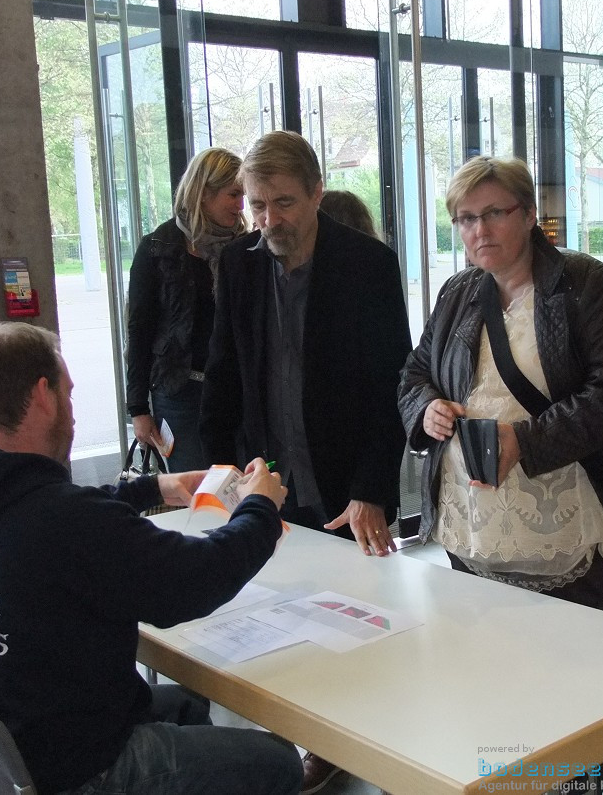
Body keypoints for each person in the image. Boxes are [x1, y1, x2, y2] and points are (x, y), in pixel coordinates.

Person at [0, 322, 301, 795]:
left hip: (7, 749)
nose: (74, 415)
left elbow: (50, 513)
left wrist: (154, 486)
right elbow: (194, 581)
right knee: (279, 764)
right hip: (79, 767)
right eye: (69, 393)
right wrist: (259, 507)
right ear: (43, 396)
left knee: (187, 706)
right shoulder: (60, 519)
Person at [398, 155, 603, 793]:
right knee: (492, 680)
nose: (478, 229)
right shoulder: (458, 292)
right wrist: (426, 407)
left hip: (560, 518)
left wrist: (527, 442)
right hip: (473, 524)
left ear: (530, 214)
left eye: (493, 213)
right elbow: (414, 372)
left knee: (569, 684)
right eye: (464, 218)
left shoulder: (585, 283)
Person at [198, 131, 412, 794]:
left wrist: (373, 488)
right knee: (282, 617)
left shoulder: (366, 265)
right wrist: (221, 475)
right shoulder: (238, 265)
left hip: (347, 485)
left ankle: (345, 741)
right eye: (258, 206)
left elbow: (392, 389)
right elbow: (224, 374)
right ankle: (296, 734)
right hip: (272, 481)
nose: (269, 221)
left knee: (352, 620)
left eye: (284, 203)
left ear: (318, 192)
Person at [126, 147, 247, 472]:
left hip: (235, 392)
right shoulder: (157, 249)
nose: (241, 206)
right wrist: (138, 408)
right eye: (233, 194)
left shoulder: (246, 248)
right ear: (204, 193)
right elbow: (139, 331)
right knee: (197, 494)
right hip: (179, 393)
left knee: (241, 490)